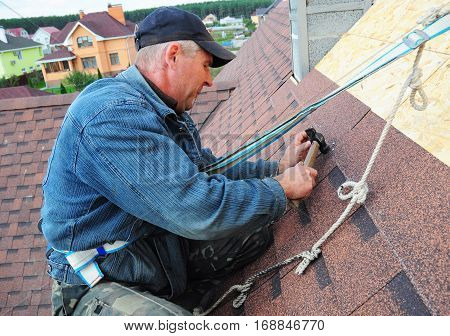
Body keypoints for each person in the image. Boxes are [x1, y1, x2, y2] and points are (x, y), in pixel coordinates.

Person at [41, 7, 317, 316]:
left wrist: (278, 170)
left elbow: (208, 170)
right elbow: (194, 207)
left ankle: (183, 301)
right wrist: (279, 189)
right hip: (99, 279)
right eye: (205, 66)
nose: (210, 81)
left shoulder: (160, 108)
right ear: (173, 55)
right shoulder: (112, 116)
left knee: (256, 229)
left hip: (152, 252)